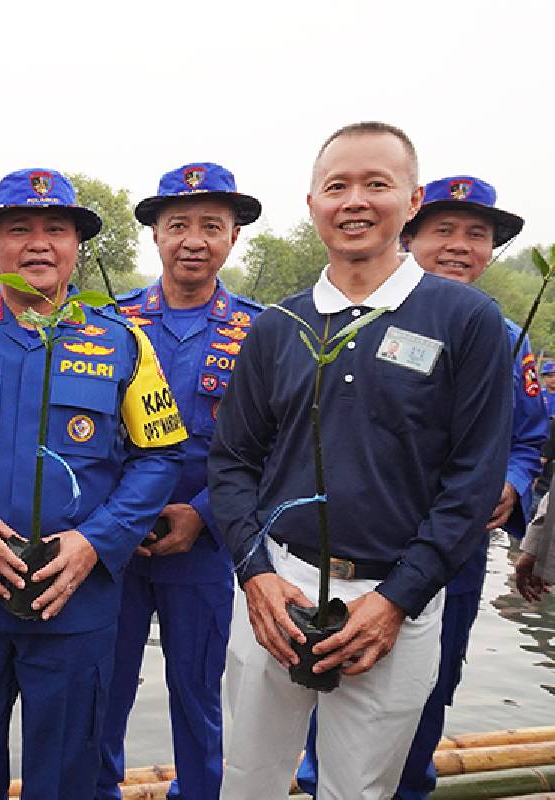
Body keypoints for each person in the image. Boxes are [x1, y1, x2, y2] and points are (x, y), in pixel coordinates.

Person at [209, 122, 512, 800]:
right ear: (312, 203)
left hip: (394, 600)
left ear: (411, 202)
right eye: (336, 185)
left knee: (360, 790)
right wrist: (255, 575)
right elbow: (232, 462)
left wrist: (398, 598)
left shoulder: (465, 321)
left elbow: (473, 480)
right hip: (278, 589)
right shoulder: (277, 327)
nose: (355, 201)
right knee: (248, 779)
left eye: (377, 184)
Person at [0, 168, 186, 799]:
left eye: (55, 229)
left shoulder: (123, 343)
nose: (37, 243)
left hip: (76, 602)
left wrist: (96, 541)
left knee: (67, 774)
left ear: (76, 245)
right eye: (18, 229)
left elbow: (159, 457)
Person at [295, 174, 546, 799]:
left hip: (450, 556)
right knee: (324, 676)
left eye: (477, 235)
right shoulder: (356, 321)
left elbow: (531, 438)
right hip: (352, 546)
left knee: (425, 689)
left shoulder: (506, 338)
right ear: (409, 235)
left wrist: (512, 483)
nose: (459, 246)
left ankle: (409, 787)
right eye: (444, 231)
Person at [98, 162, 263, 800]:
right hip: (115, 542)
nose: (193, 240)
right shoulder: (111, 323)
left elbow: (266, 446)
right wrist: (116, 520)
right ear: (156, 237)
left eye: (210, 227)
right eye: (178, 226)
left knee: (198, 691)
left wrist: (203, 513)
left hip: (204, 541)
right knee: (103, 686)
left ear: (232, 238)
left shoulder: (259, 331)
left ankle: (198, 792)